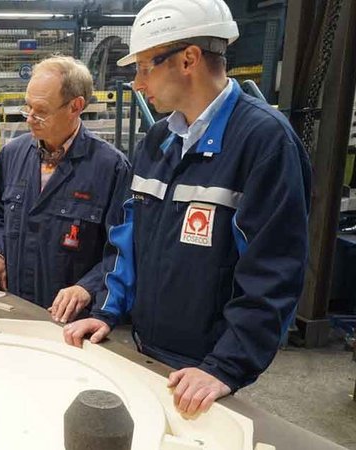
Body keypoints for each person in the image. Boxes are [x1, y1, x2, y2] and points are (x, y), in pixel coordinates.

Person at [64, 0, 311, 416]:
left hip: (205, 368)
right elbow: (127, 241)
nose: (138, 84)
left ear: (189, 59)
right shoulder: (158, 139)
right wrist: (107, 309)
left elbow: (273, 272)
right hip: (146, 350)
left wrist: (225, 367)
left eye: (145, 67)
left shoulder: (264, 142)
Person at [0, 56, 130, 323]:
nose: (30, 119)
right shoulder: (12, 155)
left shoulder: (110, 168)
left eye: (41, 111)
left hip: (71, 320)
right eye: (27, 107)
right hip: (15, 307)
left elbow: (120, 252)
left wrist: (86, 287)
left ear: (76, 106)